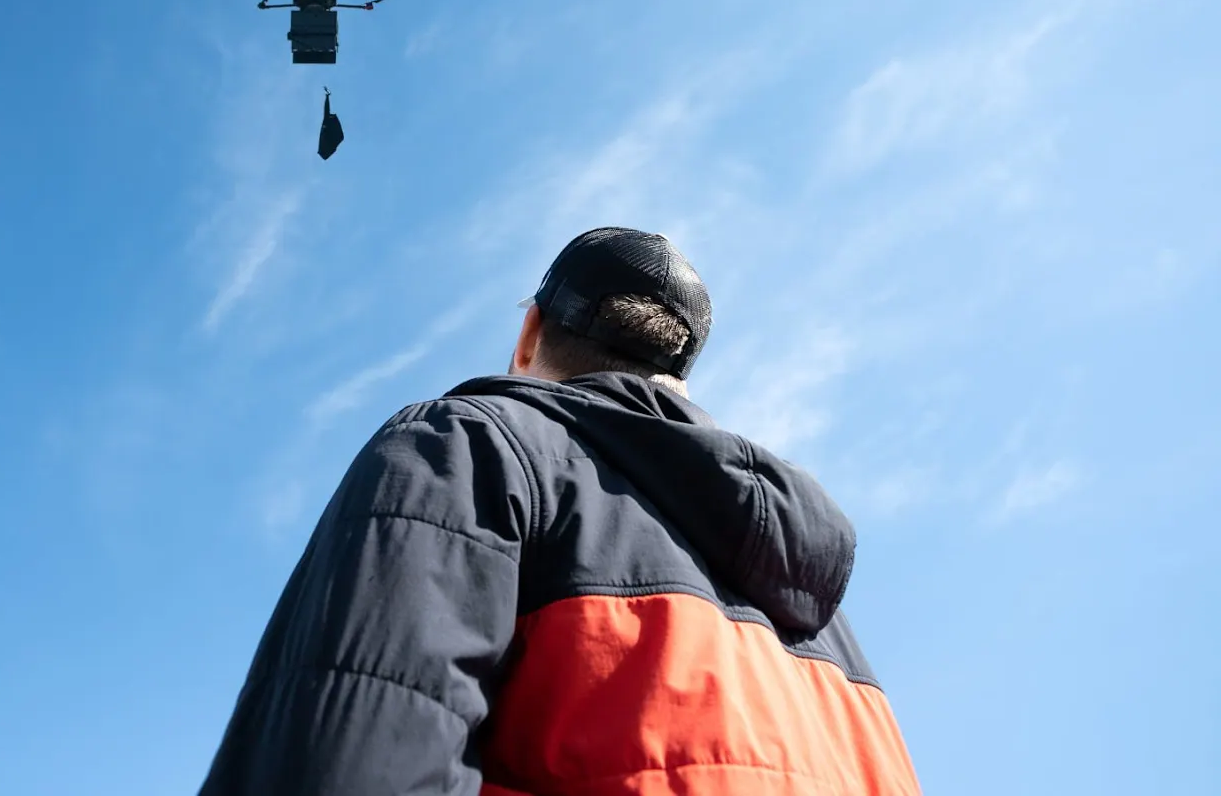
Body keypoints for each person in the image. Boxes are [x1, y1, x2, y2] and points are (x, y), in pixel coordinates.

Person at [197, 227, 921, 795]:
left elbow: (345, 755)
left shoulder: (468, 444)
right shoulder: (820, 610)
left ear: (529, 334)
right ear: (678, 377)